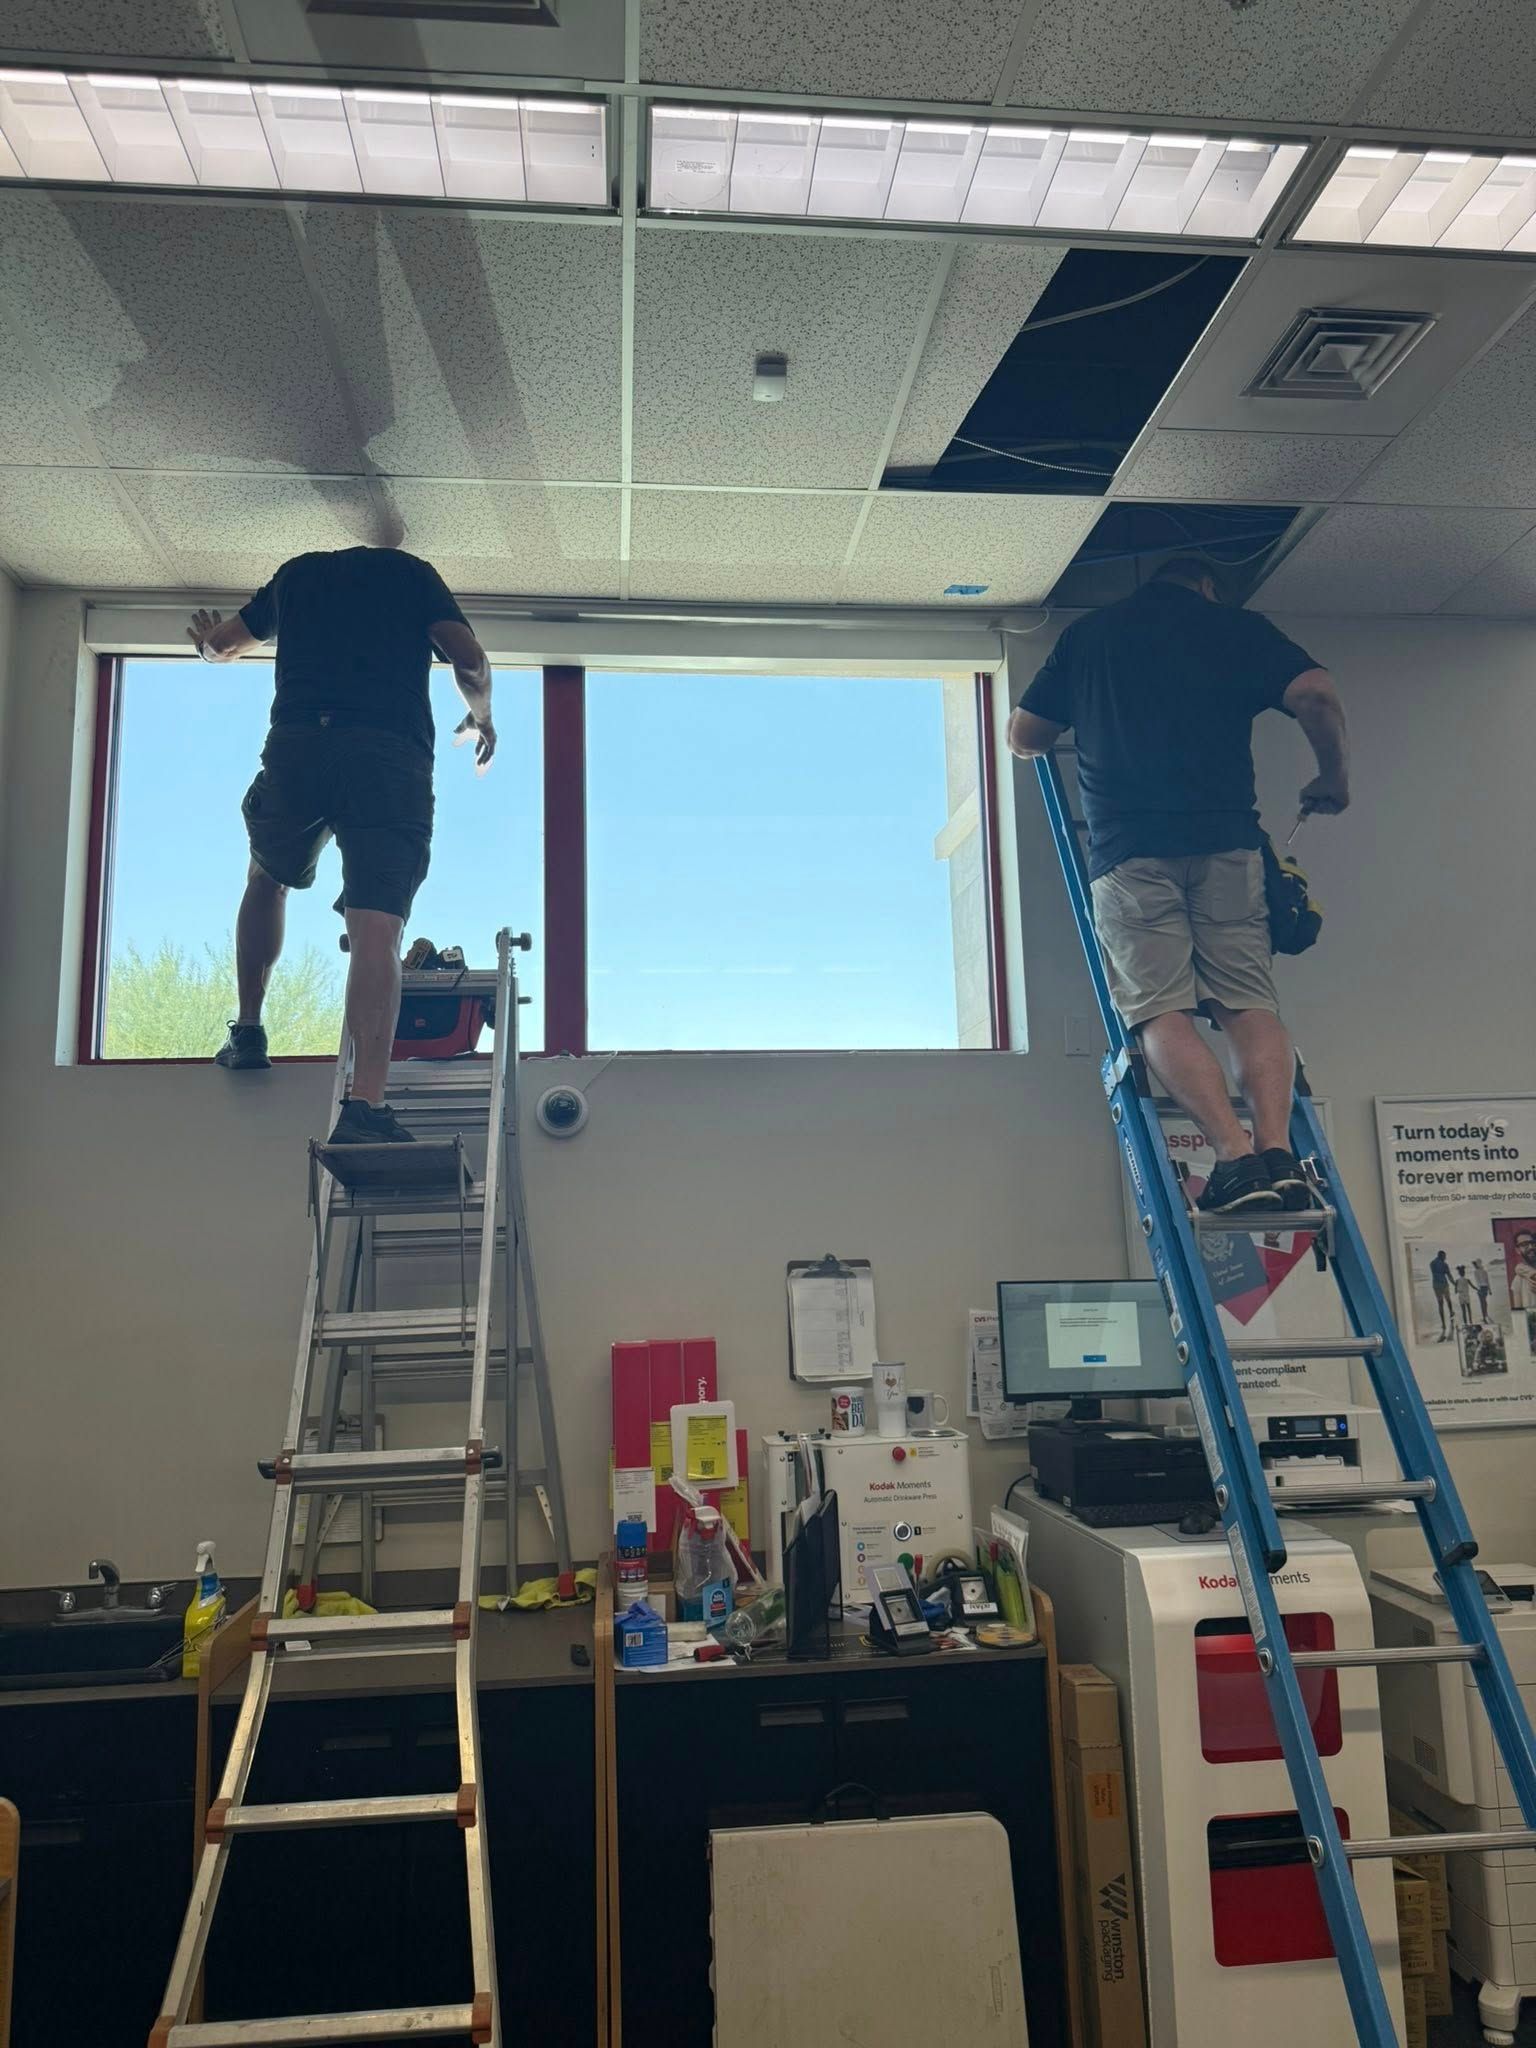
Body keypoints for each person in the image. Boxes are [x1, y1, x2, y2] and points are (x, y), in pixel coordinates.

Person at [1008, 555, 1348, 1216]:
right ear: (1208, 584)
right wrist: (1335, 775)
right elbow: (1317, 695)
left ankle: (1234, 1159)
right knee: (1248, 1001)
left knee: (1160, 1008)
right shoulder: (1236, 628)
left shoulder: (1092, 637)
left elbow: (1025, 736)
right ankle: (1277, 1149)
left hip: (1130, 851)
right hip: (1227, 845)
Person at [186, 530, 495, 1147]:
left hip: (301, 745)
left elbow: (223, 644)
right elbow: (469, 661)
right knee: (377, 931)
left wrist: (207, 649)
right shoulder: (410, 574)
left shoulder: (297, 575)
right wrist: (483, 715)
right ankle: (367, 1107)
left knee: (266, 879)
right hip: (387, 756)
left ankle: (248, 1030)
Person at [1430, 1248, 1455, 1340]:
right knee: (1448, 1300)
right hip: (1444, 1285)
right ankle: (1451, 1313)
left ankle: (1443, 1324)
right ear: (1441, 1256)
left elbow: (1434, 1273)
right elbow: (1449, 1275)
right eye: (1444, 1256)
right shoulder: (1445, 1265)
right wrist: (1454, 1284)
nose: (1445, 1258)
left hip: (1436, 1285)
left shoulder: (1432, 1263)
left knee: (1440, 1304)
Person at [1473, 1255, 1493, 1324]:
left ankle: (1484, 1317)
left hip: (1481, 1288)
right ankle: (1486, 1314)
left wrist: (1478, 1289)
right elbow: (1487, 1281)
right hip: (1486, 1288)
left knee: (1482, 1303)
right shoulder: (1484, 1271)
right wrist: (1490, 1290)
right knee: (1485, 1301)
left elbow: (1477, 1281)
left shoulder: (1476, 1271)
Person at [1455, 1264, 1475, 1329]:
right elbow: (1473, 1286)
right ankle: (1471, 1321)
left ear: (1459, 1273)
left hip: (1461, 1296)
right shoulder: (1467, 1280)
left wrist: (1458, 1289)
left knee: (1463, 1311)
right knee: (1469, 1309)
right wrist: (1478, 1289)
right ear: (1464, 1273)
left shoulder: (1457, 1281)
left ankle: (1465, 1323)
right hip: (1466, 1296)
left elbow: (1455, 1291)